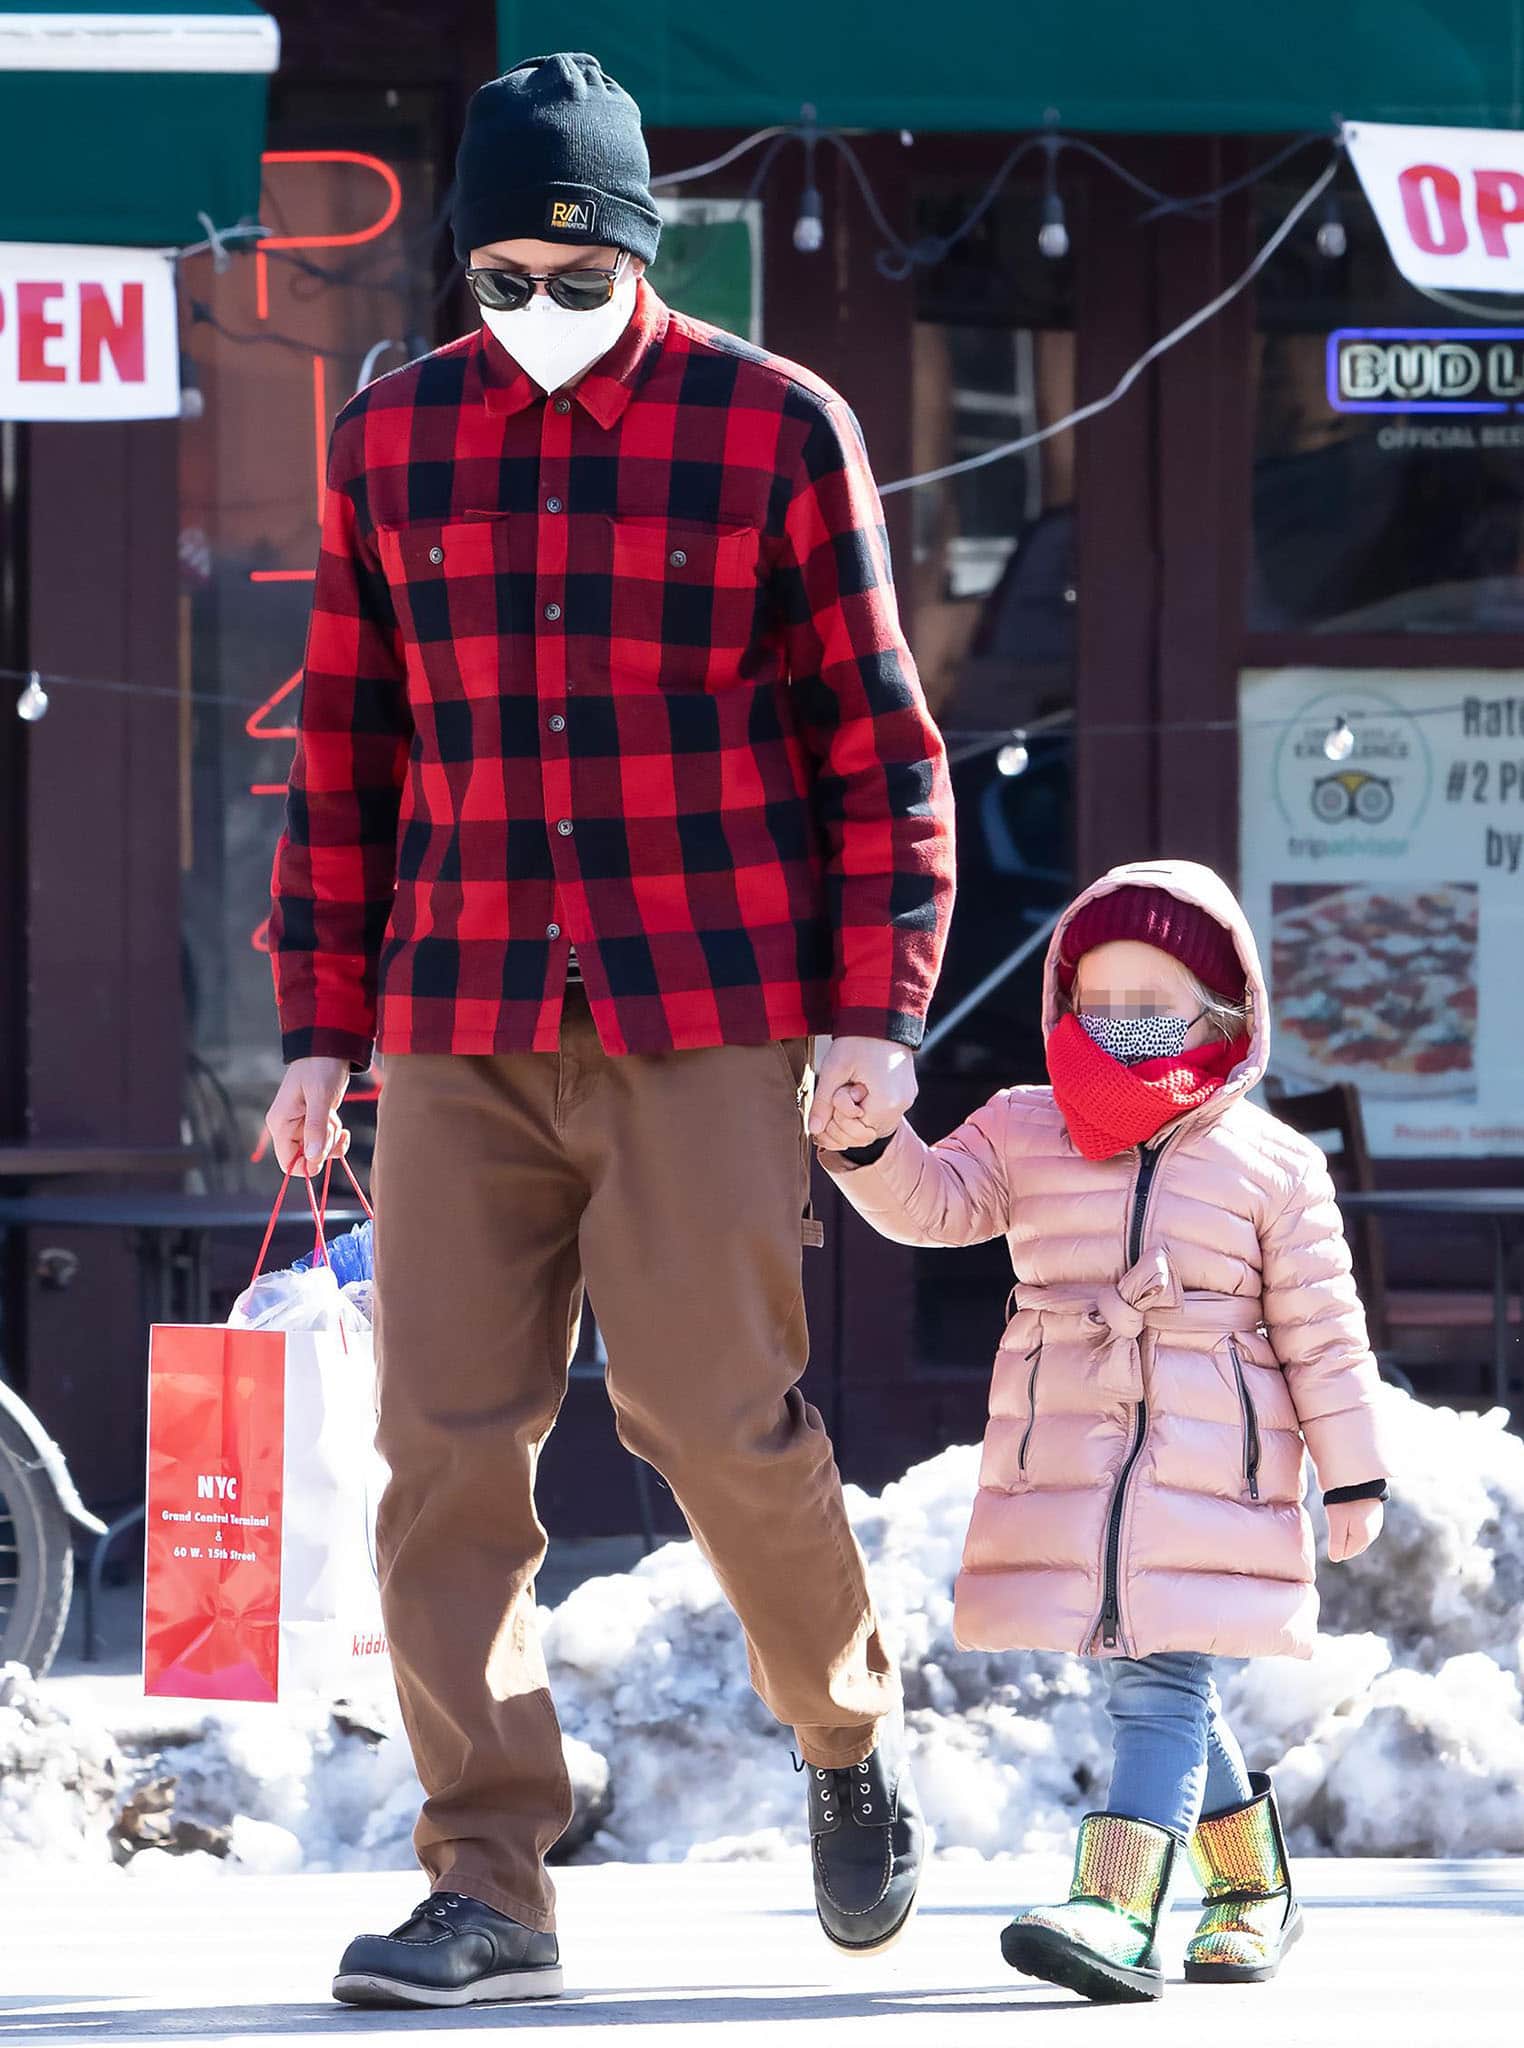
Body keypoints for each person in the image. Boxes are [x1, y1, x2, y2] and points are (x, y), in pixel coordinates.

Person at [263, 50, 955, 2011]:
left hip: (709, 1014)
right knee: (442, 1458)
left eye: (575, 278)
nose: (535, 316)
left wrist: (874, 1017)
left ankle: (841, 1733)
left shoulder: (775, 430)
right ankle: (490, 1877)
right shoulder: (390, 447)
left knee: (713, 1419)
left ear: (643, 257)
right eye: (496, 280)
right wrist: (318, 1027)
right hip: (457, 1019)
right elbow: (346, 753)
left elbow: (880, 749)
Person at [814, 859, 1387, 2006]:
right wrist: (872, 1145)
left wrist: (1354, 1470)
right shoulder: (1027, 1126)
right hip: (1076, 1451)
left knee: (1159, 1680)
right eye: (1100, 1000)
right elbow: (938, 1204)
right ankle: (1253, 1891)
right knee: (1146, 1670)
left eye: (1156, 1002)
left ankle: (1117, 1906)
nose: (1123, 1024)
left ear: (1225, 1013)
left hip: (1212, 1464)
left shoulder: (1273, 1163)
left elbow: (1324, 1330)